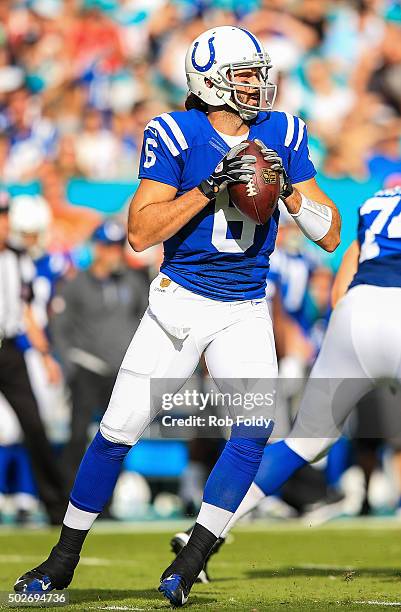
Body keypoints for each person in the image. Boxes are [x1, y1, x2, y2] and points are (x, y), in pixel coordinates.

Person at [14, 26, 340, 606]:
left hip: (244, 305)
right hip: (180, 301)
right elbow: (140, 233)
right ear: (212, 81)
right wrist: (210, 188)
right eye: (245, 74)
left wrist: (287, 190)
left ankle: (189, 562)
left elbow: (330, 234)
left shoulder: (283, 132)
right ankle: (62, 561)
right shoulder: (173, 133)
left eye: (257, 72)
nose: (257, 84)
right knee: (117, 432)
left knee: (253, 430)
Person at [190, 184, 401, 571]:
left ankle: (203, 536)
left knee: (306, 441)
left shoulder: (376, 202)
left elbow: (344, 283)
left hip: (356, 312)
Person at [50, 219, 149, 488]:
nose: (114, 253)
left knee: (119, 436)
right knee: (78, 433)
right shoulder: (77, 283)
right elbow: (60, 327)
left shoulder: (132, 281)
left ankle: (106, 497)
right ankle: (66, 496)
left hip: (121, 372)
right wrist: (69, 366)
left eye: (118, 247)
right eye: (108, 247)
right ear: (97, 248)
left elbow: (146, 318)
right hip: (87, 367)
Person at [0, 191, 67, 525]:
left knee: (33, 425)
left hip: (10, 348)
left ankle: (54, 505)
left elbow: (26, 311)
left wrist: (45, 356)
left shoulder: (19, 258)